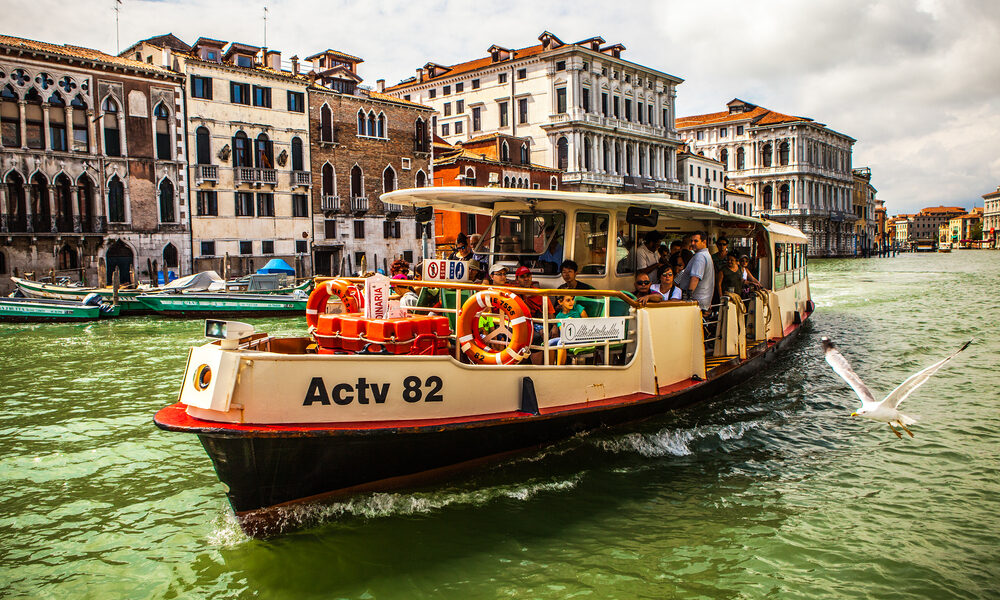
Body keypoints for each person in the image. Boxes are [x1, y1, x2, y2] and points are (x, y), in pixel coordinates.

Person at [675, 230, 715, 312]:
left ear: (704, 242)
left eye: (696, 241)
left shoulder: (700, 256)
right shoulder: (705, 255)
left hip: (696, 302)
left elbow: (695, 278)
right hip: (702, 301)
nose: (692, 243)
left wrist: (689, 297)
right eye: (691, 241)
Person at [547, 295, 589, 364]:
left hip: (582, 337)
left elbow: (588, 324)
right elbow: (564, 332)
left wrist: (574, 322)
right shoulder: (559, 316)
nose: (571, 302)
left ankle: (560, 369)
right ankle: (549, 368)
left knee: (561, 342)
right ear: (560, 302)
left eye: (572, 299)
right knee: (550, 343)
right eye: (568, 300)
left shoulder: (578, 308)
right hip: (569, 337)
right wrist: (567, 323)